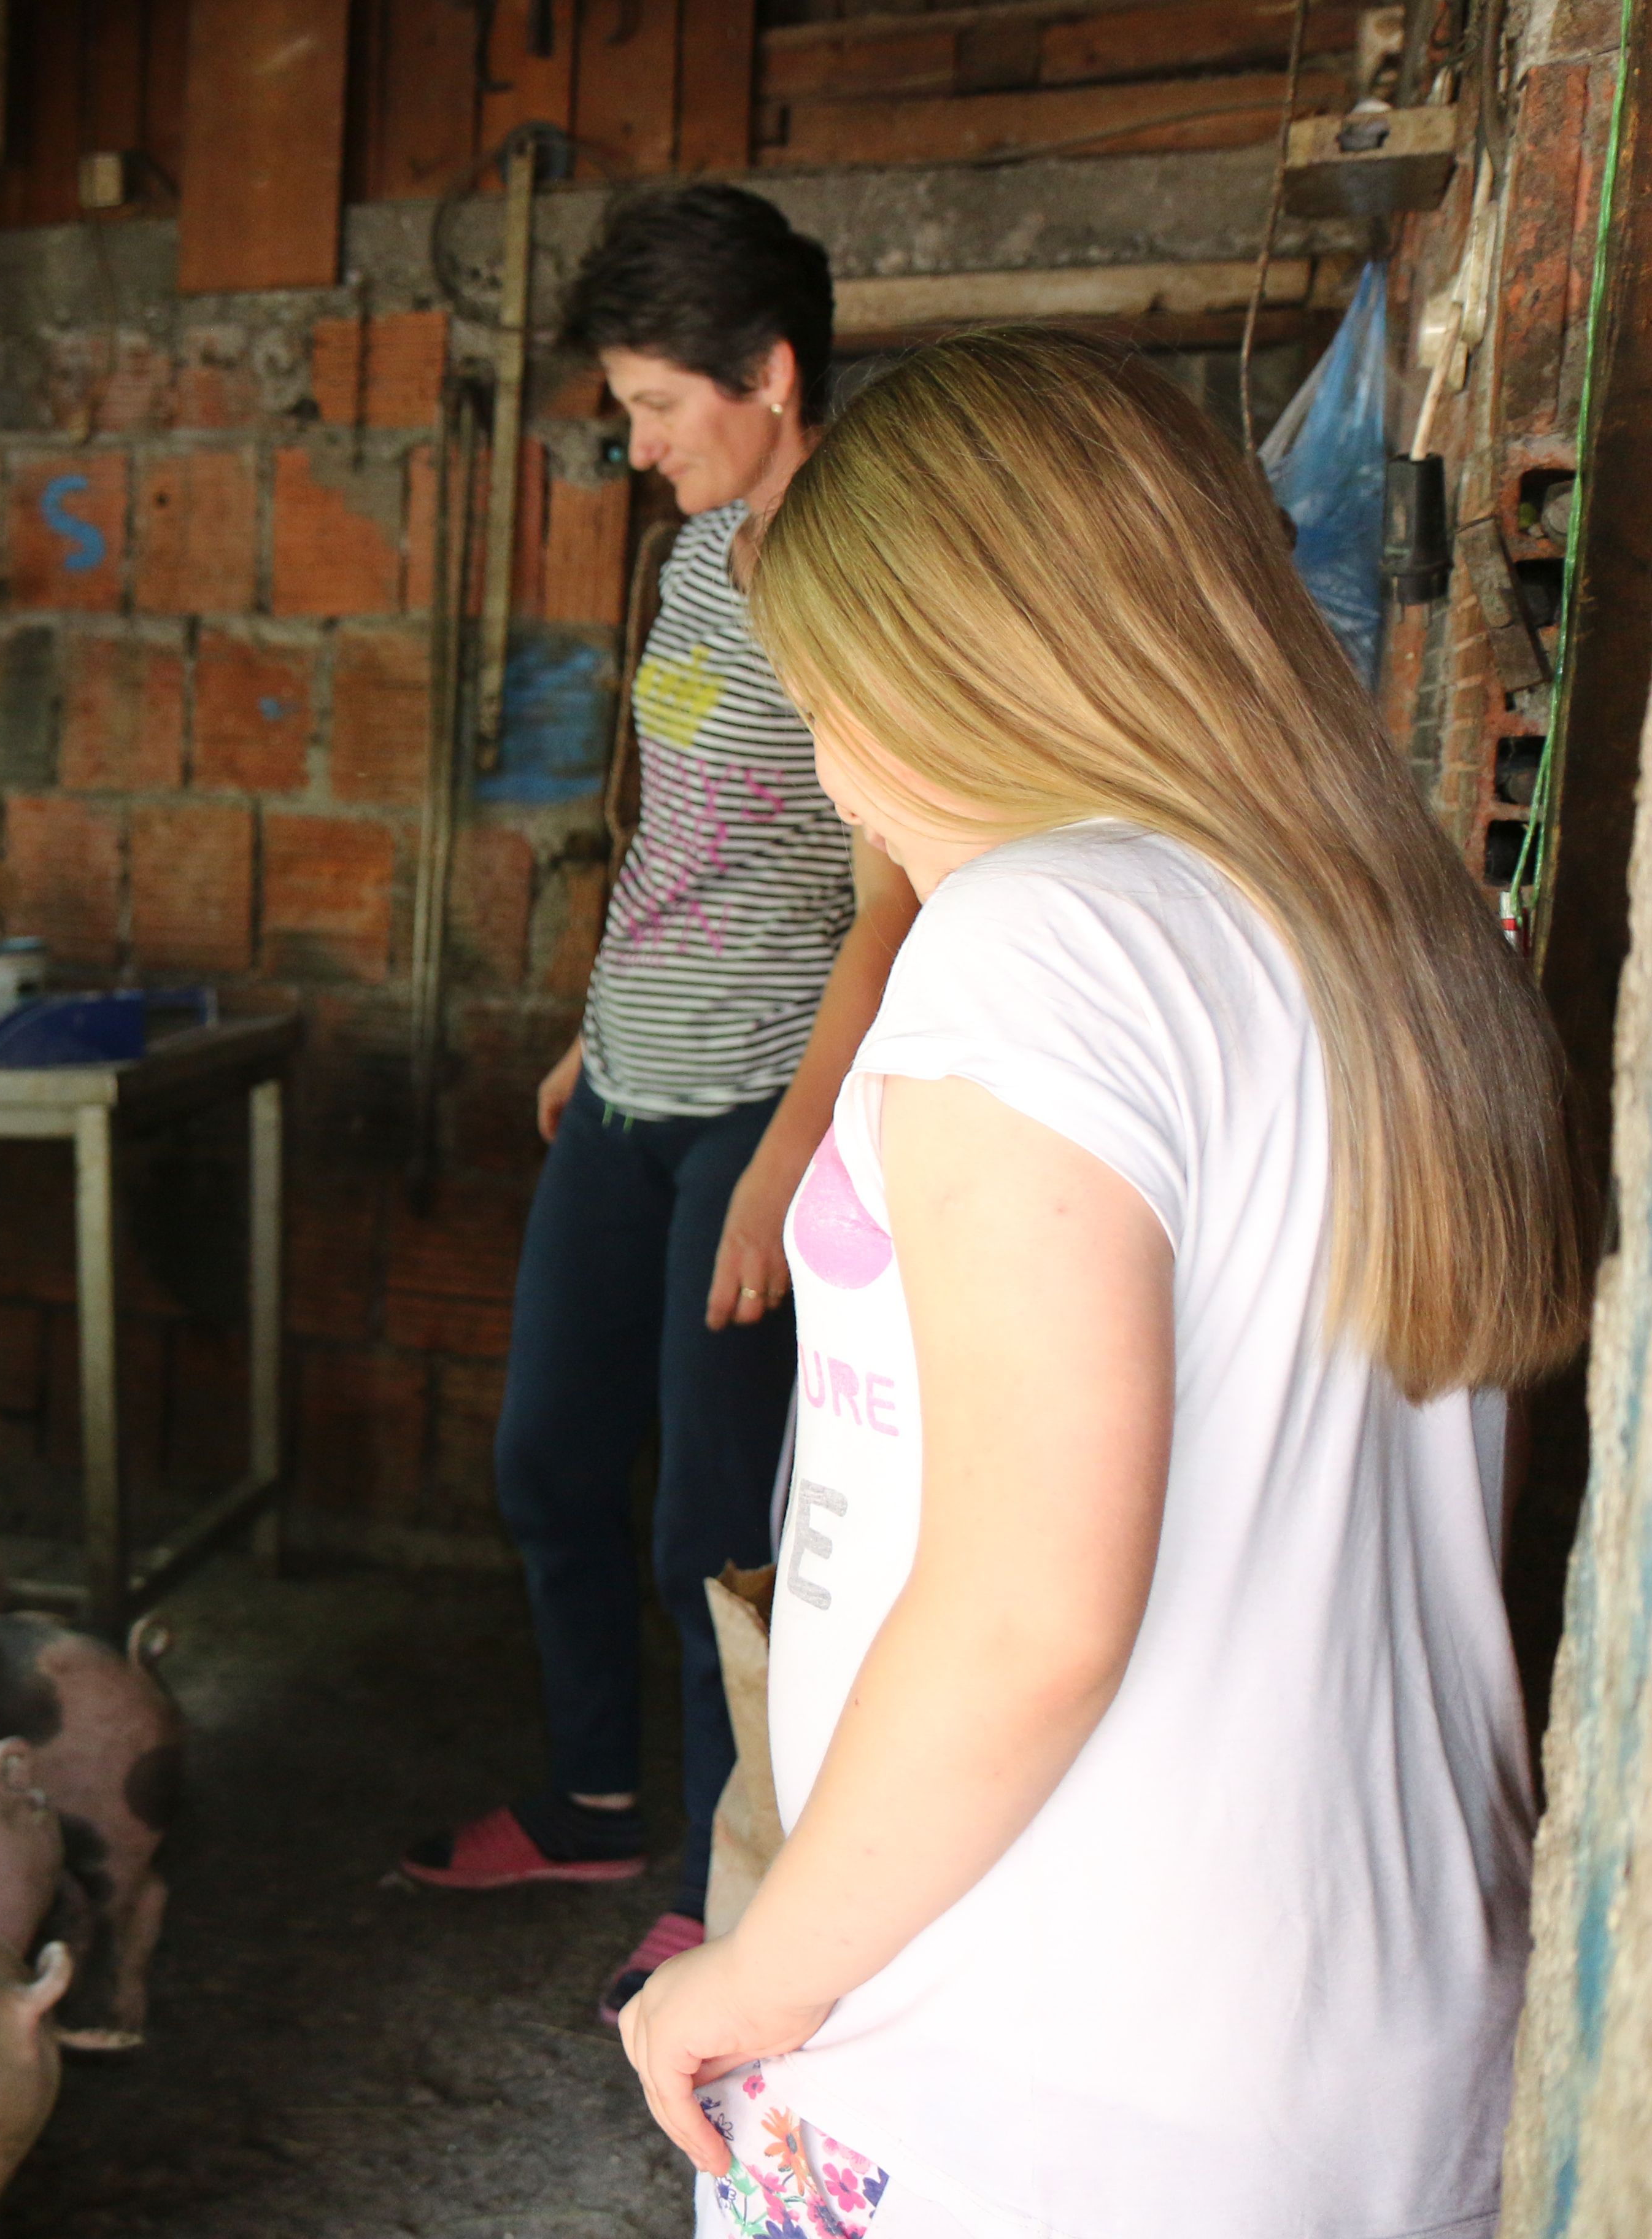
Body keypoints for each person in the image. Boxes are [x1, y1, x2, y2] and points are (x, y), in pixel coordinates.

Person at [620, 327, 1583, 2236]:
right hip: (1369, 2041)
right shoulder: (1373, 934)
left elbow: (1031, 1614)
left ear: (951, 668)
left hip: (1052, 2062)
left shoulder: (1037, 945)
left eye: (826, 698)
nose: (828, 769)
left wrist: (763, 1967)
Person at [402, 185, 920, 2027]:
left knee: (712, 1518)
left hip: (760, 1109)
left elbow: (893, 895)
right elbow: (672, 832)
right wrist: (586, 1020)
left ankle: (730, 1886)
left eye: (654, 408)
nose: (634, 448)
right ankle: (597, 1802)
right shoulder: (699, 562)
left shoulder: (867, 582)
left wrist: (791, 1158)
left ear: (771, 377)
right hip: (629, 1074)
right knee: (548, 1458)